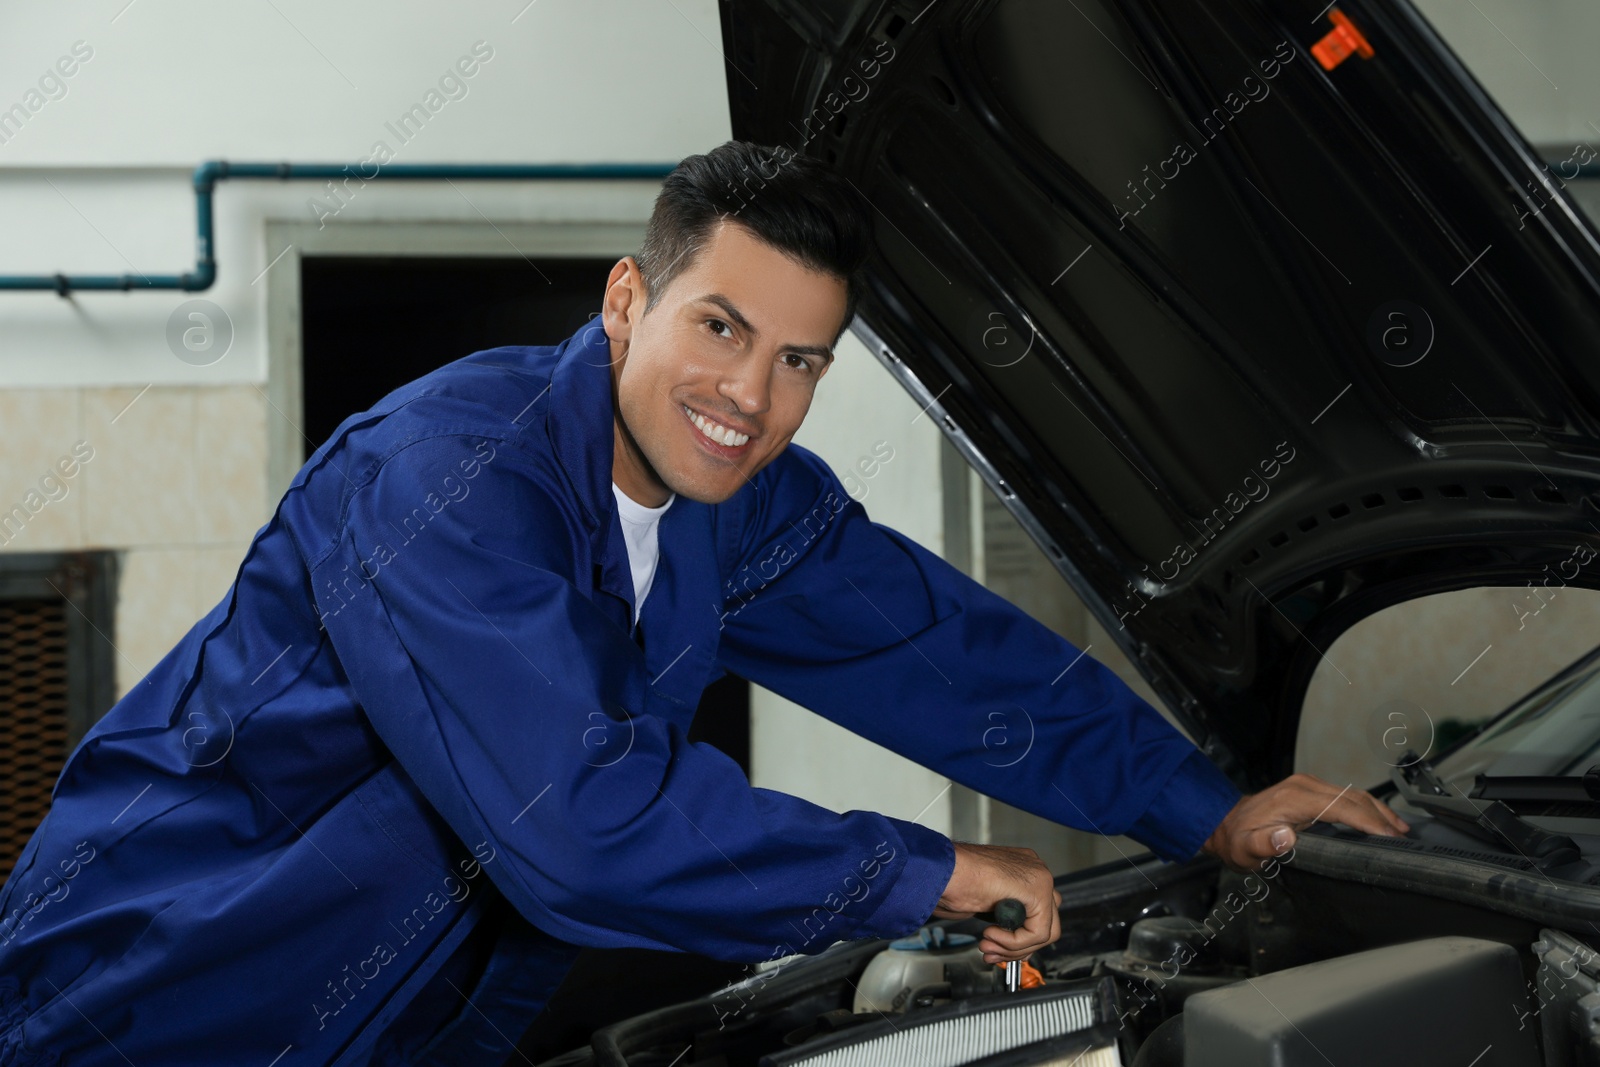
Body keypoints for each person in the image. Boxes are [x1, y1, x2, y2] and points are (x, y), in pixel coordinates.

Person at [0, 139, 1407, 1066]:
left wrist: (1204, 806)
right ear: (629, 300)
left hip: (395, 1025)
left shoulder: (741, 514)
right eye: (721, 328)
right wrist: (919, 870)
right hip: (151, 999)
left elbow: (948, 657)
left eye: (800, 361)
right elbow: (577, 820)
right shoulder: (448, 478)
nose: (750, 397)